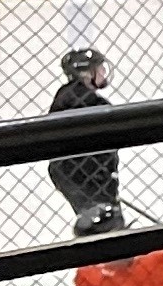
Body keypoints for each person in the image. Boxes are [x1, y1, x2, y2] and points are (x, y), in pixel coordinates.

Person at [45, 46, 124, 239]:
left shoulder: (69, 97)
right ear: (86, 73)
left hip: (83, 175)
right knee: (105, 227)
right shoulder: (81, 100)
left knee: (103, 222)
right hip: (84, 175)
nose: (104, 72)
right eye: (99, 68)